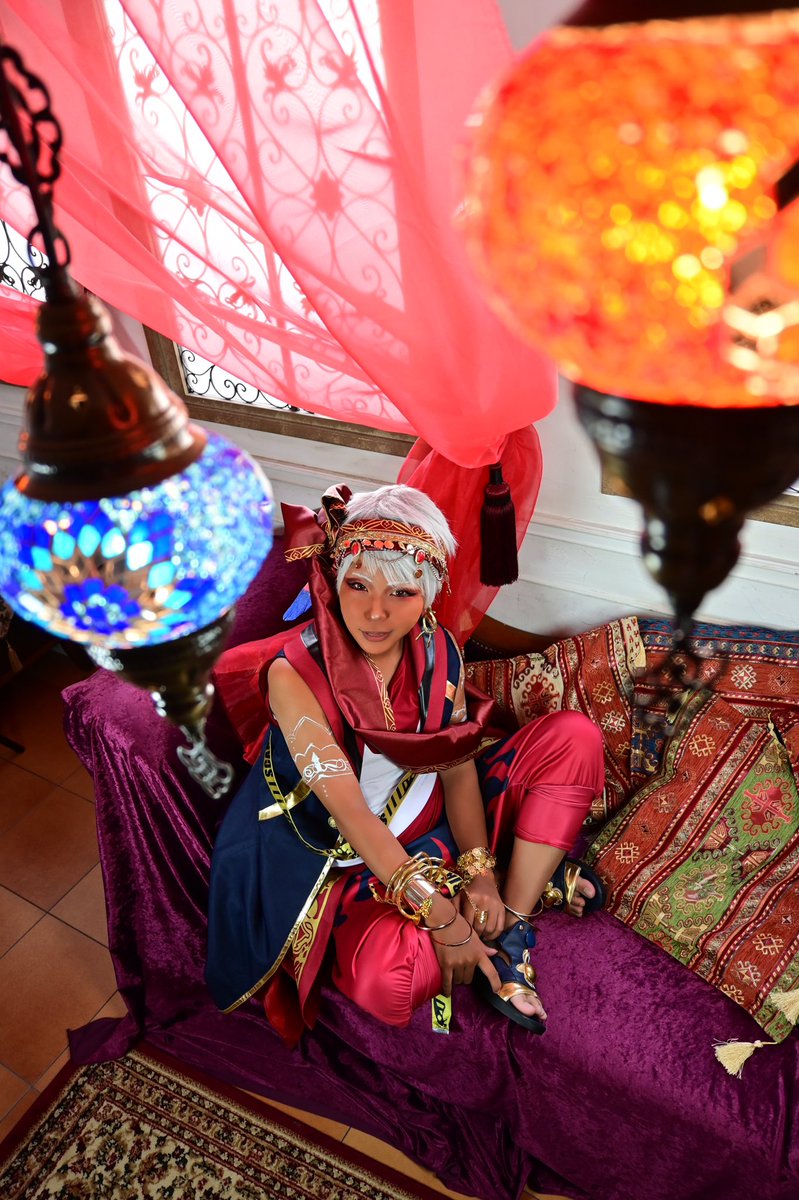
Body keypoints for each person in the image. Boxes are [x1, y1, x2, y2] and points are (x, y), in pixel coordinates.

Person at [206, 483, 605, 1041]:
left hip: (435, 818)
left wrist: (480, 877)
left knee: (574, 738)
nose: (375, 612)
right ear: (334, 578)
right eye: (358, 585)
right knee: (393, 983)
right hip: (346, 854)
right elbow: (350, 814)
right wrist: (445, 920)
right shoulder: (292, 674)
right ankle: (530, 872)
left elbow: (456, 768)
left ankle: (512, 928)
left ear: (428, 595)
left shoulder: (439, 648)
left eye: (401, 592)